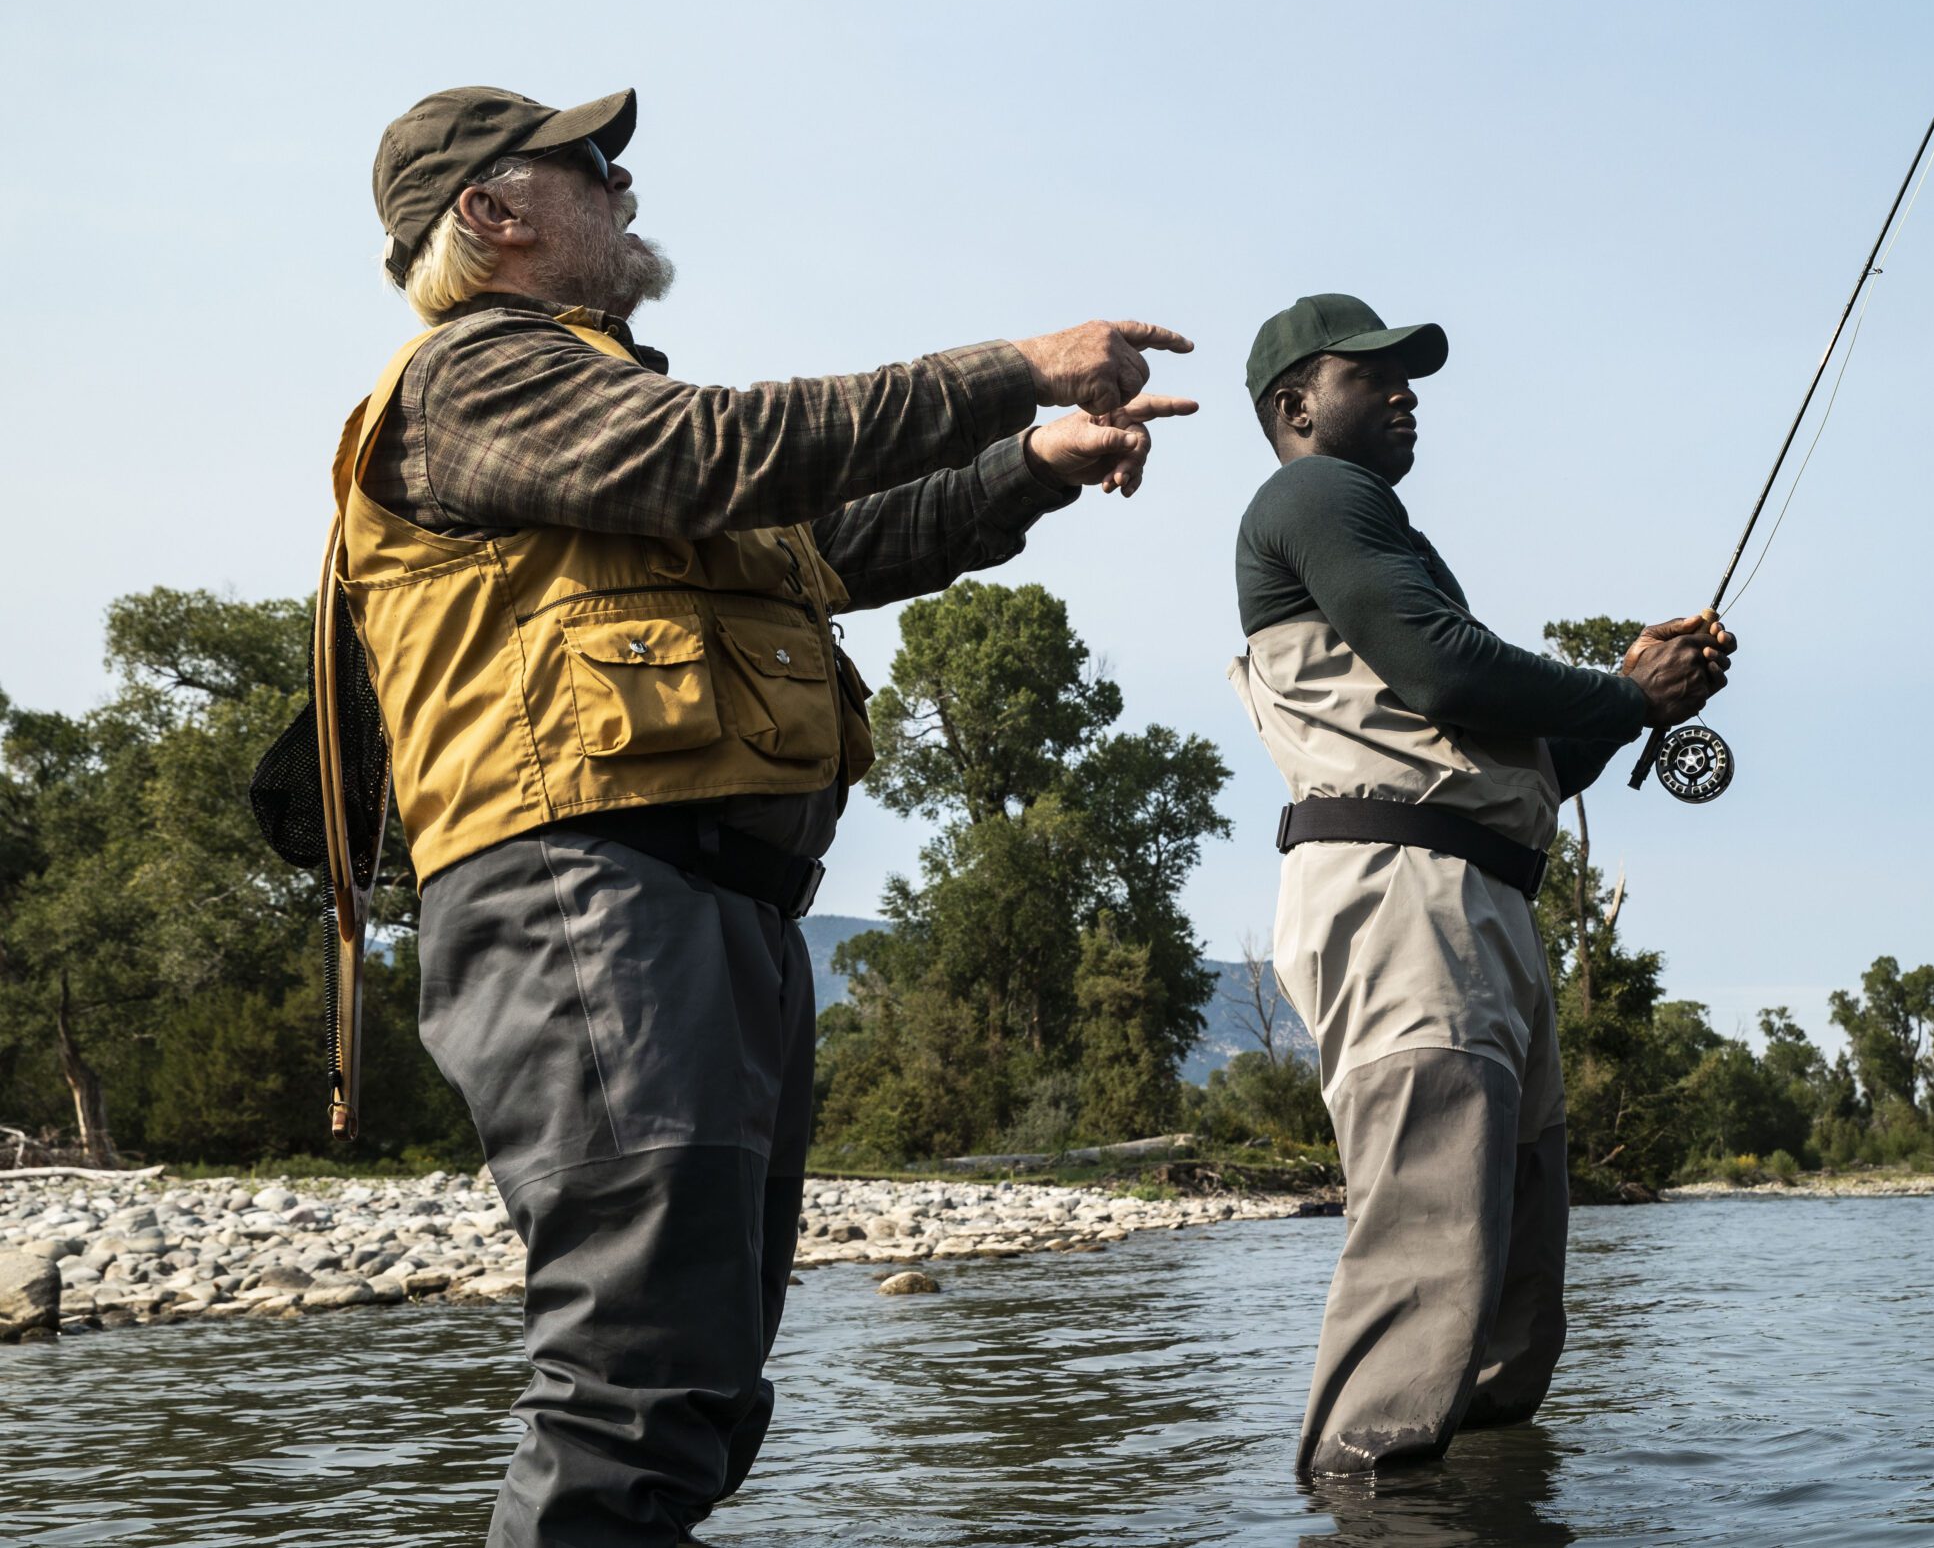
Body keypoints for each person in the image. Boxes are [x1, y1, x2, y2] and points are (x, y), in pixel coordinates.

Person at [349, 84, 1195, 1544]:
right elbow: (730, 450)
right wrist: (1016, 369)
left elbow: (837, 539)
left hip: (700, 910)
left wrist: (1028, 466)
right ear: (490, 214)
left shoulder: (601, 423)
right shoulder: (478, 376)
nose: (624, 187)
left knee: (705, 1382)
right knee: (637, 1378)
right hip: (585, 894)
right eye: (591, 166)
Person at [1228, 293, 1735, 1476]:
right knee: (1427, 1265)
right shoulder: (1313, 496)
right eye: (1374, 376)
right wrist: (1623, 694)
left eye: (1409, 377)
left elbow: (1529, 763)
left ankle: (1488, 1501)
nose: (1405, 392)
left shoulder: (1376, 536)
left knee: (1509, 1294)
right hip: (1403, 898)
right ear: (1297, 408)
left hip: (1476, 906)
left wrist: (1632, 702)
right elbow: (1446, 673)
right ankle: (1373, 1503)